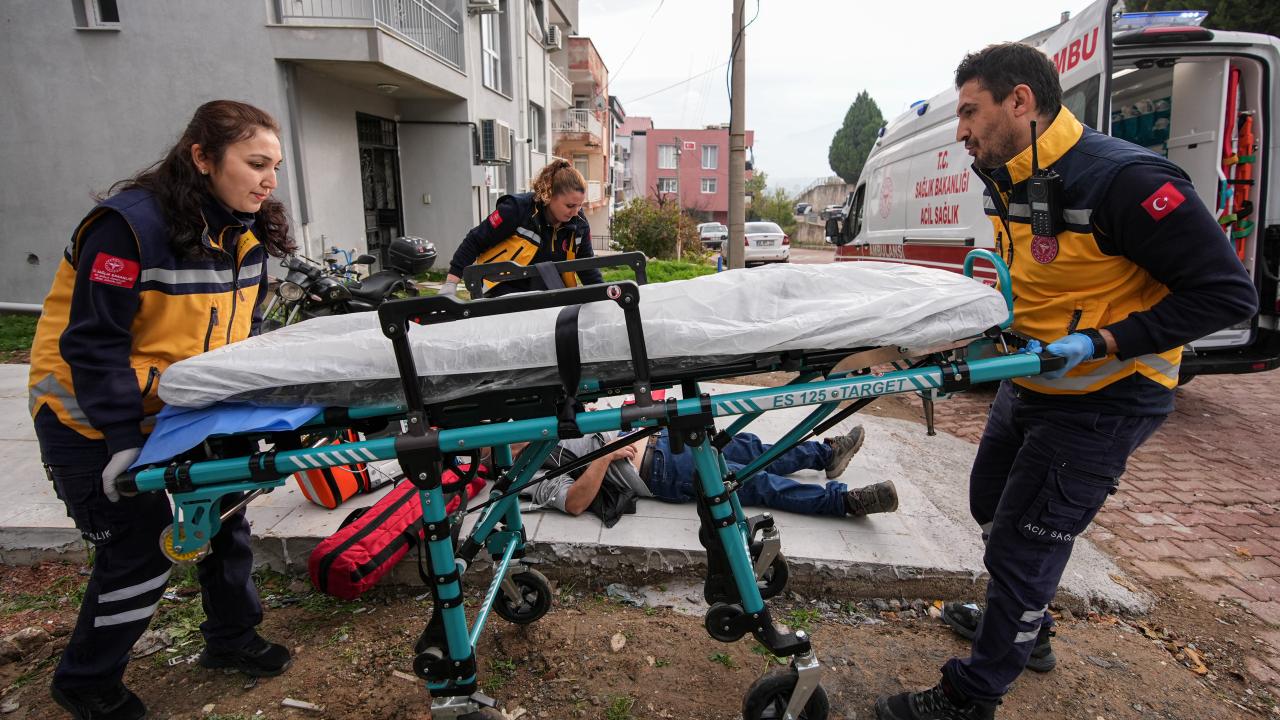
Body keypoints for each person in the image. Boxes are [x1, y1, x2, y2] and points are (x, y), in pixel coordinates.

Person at [874, 44, 1258, 720]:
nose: (961, 131)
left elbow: (1228, 295)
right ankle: (1028, 626)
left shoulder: (1124, 180)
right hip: (1033, 377)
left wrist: (1102, 341)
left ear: (1020, 101)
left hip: (1109, 392)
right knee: (990, 502)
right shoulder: (1008, 174)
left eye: (970, 112)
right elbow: (1041, 274)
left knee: (1026, 539)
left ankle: (973, 695)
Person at [28, 100, 298, 720]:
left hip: (186, 410)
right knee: (139, 547)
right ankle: (86, 682)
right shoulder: (126, 228)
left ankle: (230, 638)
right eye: (256, 164)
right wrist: (122, 436)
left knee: (223, 518)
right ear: (202, 157)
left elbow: (243, 335)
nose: (269, 182)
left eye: (275, 168)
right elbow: (93, 343)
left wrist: (250, 410)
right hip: (89, 417)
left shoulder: (244, 234)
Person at [522, 425, 899, 520]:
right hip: (661, 470)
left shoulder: (538, 428)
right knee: (753, 481)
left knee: (751, 447)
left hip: (662, 436)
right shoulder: (531, 475)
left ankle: (826, 454)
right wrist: (603, 458)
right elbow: (574, 503)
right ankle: (845, 503)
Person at [441, 159, 603, 297]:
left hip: (548, 292)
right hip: (502, 287)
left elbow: (587, 268)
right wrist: (451, 284)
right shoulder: (516, 209)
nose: (575, 212)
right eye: (570, 206)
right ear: (549, 195)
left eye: (579, 205)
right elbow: (475, 240)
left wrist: (604, 297)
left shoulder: (579, 224)